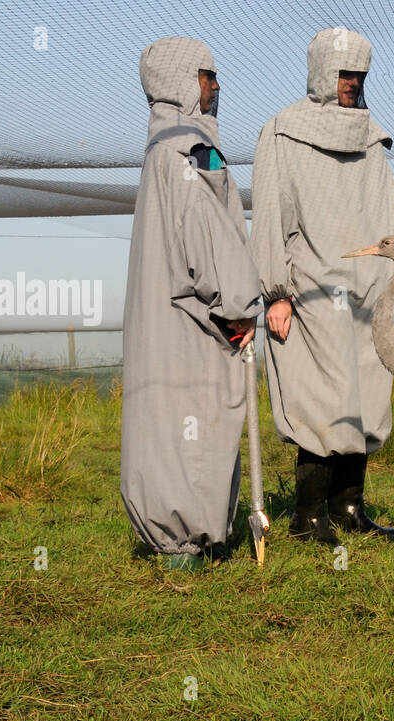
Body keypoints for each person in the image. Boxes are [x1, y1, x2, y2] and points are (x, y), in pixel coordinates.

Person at [251, 27, 394, 545]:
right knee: (321, 395)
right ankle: (307, 517)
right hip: (312, 286)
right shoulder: (282, 131)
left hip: (372, 287)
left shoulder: (372, 138)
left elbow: (391, 212)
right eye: (344, 73)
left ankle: (349, 508)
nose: (352, 83)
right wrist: (276, 292)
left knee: (365, 395)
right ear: (322, 73)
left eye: (359, 75)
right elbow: (270, 215)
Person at [121, 37, 263, 570]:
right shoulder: (191, 151)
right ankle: (190, 545)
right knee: (195, 417)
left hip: (165, 320)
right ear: (183, 83)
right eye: (207, 76)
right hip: (193, 324)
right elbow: (206, 234)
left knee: (166, 421)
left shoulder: (159, 150)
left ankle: (180, 540)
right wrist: (241, 304)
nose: (217, 86)